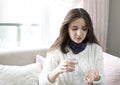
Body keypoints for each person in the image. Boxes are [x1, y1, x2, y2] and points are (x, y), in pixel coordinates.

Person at [39, 8, 104, 85]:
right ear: (67, 29)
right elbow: (42, 82)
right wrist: (58, 70)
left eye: (84, 29)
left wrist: (97, 78)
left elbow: (103, 82)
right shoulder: (56, 50)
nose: (79, 34)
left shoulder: (96, 49)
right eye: (74, 29)